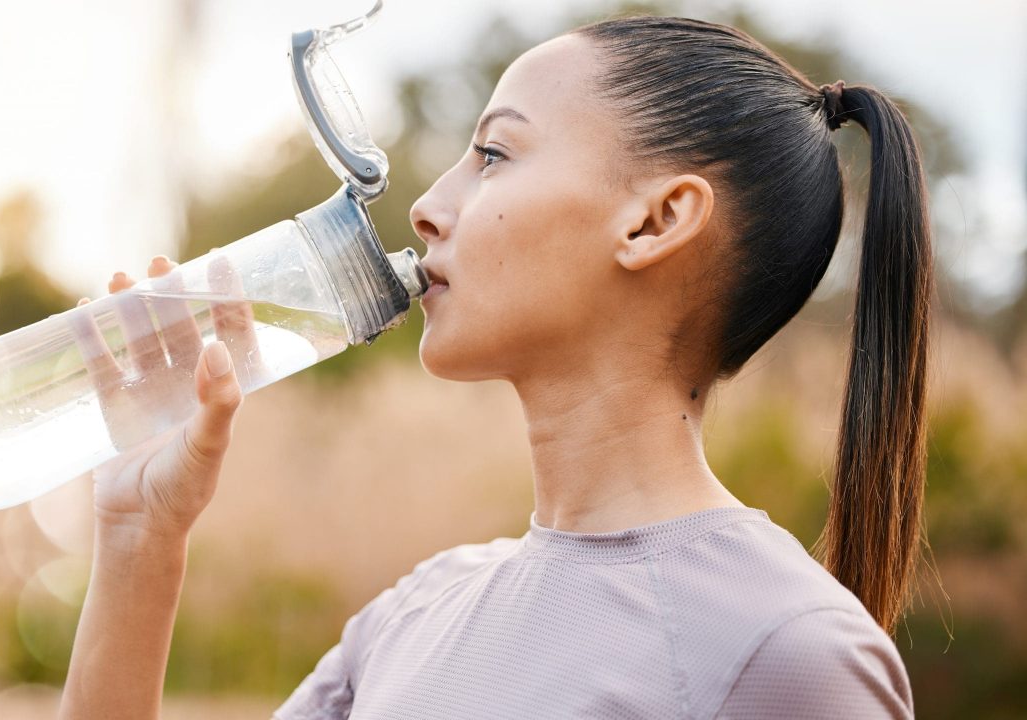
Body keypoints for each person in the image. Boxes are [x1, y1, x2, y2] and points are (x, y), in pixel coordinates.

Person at [58, 15, 930, 720]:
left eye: (494, 155)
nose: (430, 209)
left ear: (655, 222)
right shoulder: (410, 619)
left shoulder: (786, 653)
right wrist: (140, 539)